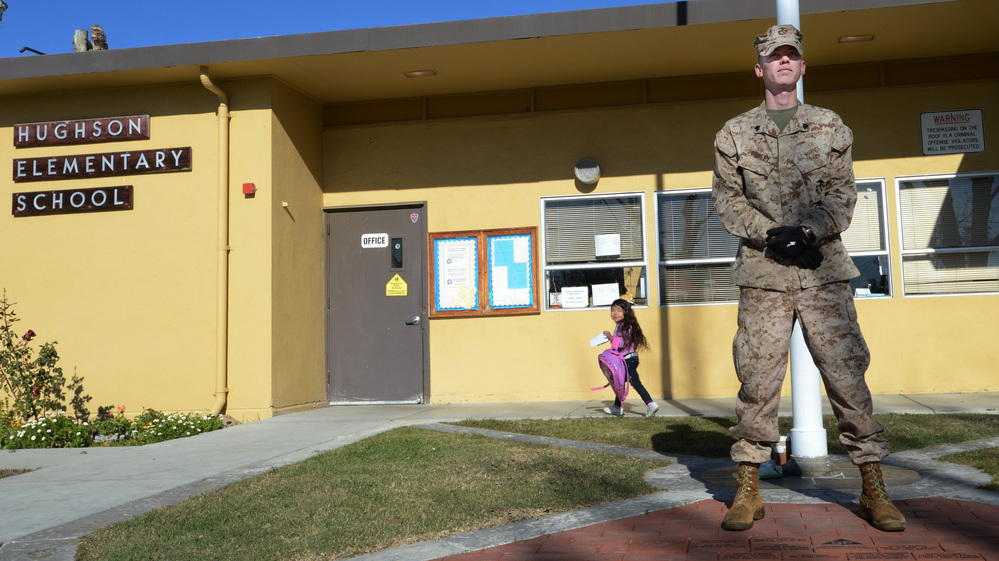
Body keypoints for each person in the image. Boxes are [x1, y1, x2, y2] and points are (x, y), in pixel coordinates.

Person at [711, 24, 905, 533]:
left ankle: (872, 487)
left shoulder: (829, 125)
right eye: (773, 57)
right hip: (763, 273)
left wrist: (808, 229)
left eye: (790, 56)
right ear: (759, 69)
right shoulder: (733, 133)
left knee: (846, 375)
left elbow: (843, 193)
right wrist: (769, 232)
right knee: (756, 381)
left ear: (801, 66)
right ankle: (748, 490)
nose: (782, 63)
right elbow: (726, 199)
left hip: (822, 273)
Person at [601, 298, 659, 417]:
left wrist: (612, 338)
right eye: (613, 310)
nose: (615, 313)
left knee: (635, 382)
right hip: (626, 359)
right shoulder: (621, 325)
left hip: (628, 360)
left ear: (626, 312)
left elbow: (623, 343)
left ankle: (651, 404)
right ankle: (617, 407)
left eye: (619, 310)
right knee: (620, 382)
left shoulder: (626, 326)